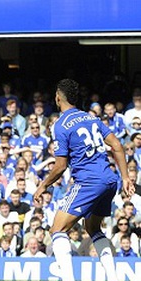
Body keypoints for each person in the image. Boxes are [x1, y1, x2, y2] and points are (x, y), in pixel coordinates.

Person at [34, 79, 135, 281]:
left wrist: (43, 185)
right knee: (93, 229)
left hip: (89, 181)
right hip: (109, 179)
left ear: (57, 97)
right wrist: (125, 177)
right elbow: (116, 145)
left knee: (58, 229)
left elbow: (61, 166)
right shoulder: (91, 118)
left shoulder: (60, 125)